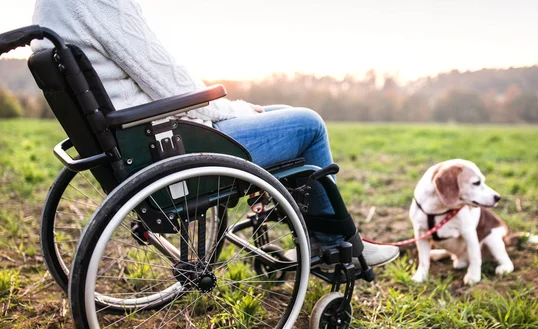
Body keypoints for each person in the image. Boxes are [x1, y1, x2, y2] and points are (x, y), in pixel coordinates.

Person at [32, 0, 399, 267]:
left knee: (281, 114)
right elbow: (171, 85)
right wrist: (236, 108)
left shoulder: (51, 8)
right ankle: (333, 243)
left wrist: (238, 109)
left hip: (141, 142)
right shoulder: (99, 3)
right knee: (308, 125)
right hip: (170, 146)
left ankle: (308, 230)